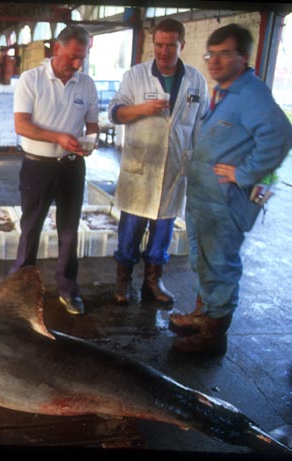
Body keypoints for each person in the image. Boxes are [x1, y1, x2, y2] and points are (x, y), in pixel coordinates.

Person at [168, 24, 292, 355]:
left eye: (225, 54)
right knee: (202, 261)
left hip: (224, 204)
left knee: (219, 265)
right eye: (212, 54)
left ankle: (213, 336)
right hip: (204, 202)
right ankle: (202, 314)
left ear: (244, 57)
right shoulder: (224, 92)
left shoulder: (250, 94)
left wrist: (246, 172)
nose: (215, 61)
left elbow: (280, 136)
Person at [107, 18, 209, 306]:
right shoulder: (136, 76)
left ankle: (154, 280)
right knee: (130, 231)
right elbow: (114, 114)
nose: (164, 51)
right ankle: (123, 281)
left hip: (175, 171)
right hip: (140, 169)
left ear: (182, 45)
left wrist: (199, 165)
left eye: (171, 45)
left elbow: (202, 125)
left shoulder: (195, 80)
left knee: (163, 232)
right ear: (154, 44)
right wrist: (142, 109)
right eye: (159, 44)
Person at [11, 24, 99, 315]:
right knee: (31, 228)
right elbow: (21, 125)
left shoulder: (86, 84)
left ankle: (68, 289)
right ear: (56, 48)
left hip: (73, 167)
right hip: (37, 167)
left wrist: (90, 141)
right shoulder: (31, 79)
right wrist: (58, 137)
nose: (76, 64)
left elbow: (93, 123)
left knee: (69, 231)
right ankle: (20, 289)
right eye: (72, 56)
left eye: (81, 58)